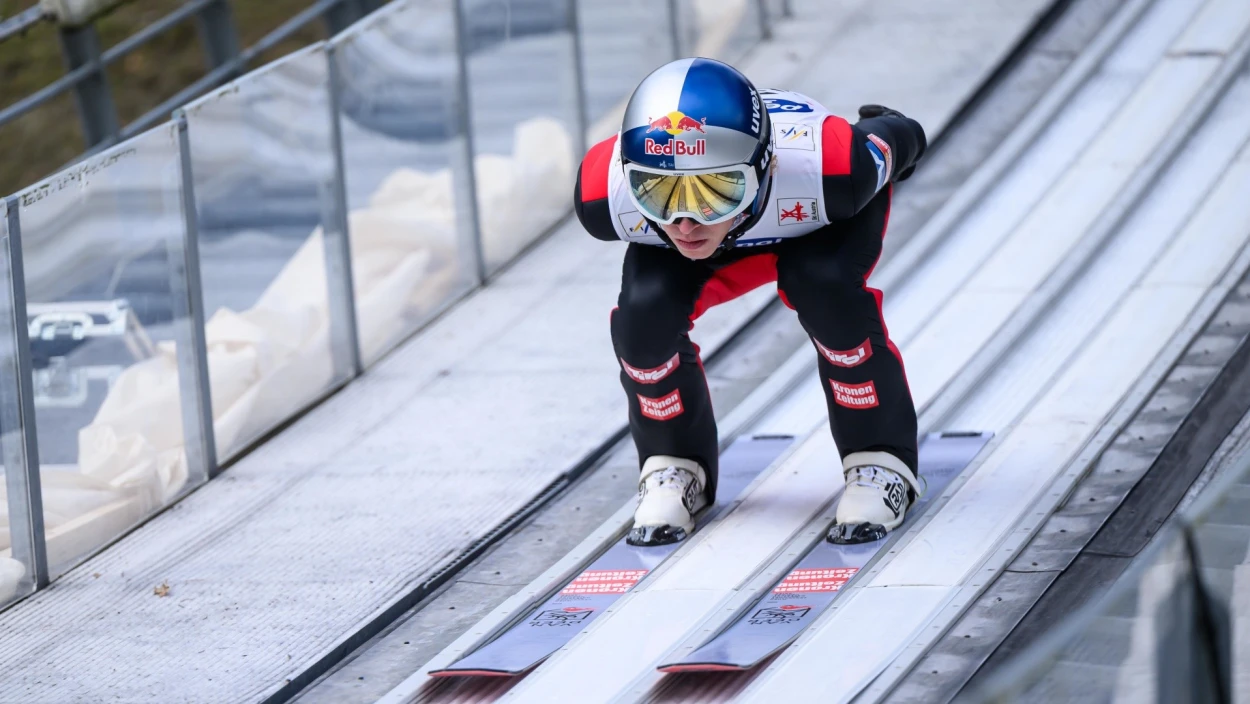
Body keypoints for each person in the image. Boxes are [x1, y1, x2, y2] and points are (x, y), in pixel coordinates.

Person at [572, 57, 927, 546]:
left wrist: (889, 129)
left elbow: (901, 135)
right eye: (656, 192)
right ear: (629, 177)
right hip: (750, 230)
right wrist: (714, 204)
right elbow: (682, 224)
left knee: (826, 288)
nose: (685, 222)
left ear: (768, 164)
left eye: (715, 189)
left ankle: (881, 460)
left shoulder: (835, 167)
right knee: (642, 318)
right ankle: (675, 463)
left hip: (817, 227)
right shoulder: (603, 197)